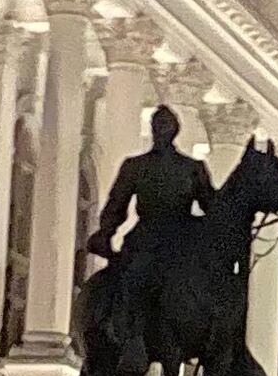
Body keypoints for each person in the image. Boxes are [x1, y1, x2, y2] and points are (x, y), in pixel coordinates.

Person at [81, 105, 211, 363]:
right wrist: (106, 232)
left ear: (174, 131)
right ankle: (127, 335)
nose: (161, 131)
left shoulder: (193, 168)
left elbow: (211, 207)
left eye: (165, 126)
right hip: (147, 240)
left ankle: (217, 344)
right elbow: (117, 203)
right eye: (158, 126)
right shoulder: (136, 166)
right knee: (130, 281)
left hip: (180, 243)